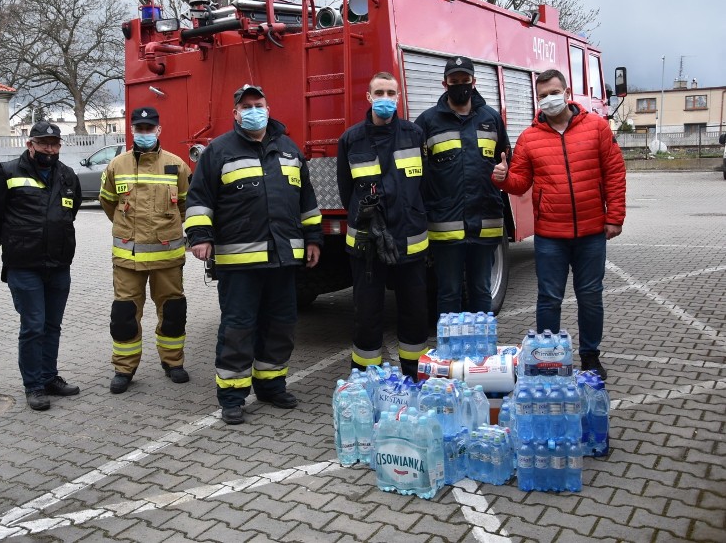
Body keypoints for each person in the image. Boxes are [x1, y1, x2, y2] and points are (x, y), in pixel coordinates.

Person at [184, 84, 323, 425]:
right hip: (239, 263)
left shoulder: (289, 149)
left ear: (268, 107)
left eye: (258, 104)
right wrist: (200, 236)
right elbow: (199, 198)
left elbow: (306, 201)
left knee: (281, 325)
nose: (252, 111)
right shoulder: (218, 151)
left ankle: (271, 385)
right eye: (245, 106)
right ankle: (232, 395)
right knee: (238, 328)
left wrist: (314, 239)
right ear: (235, 113)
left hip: (282, 258)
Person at [492, 68, 626, 379]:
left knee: (590, 296)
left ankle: (590, 357)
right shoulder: (529, 138)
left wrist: (614, 217)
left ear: (566, 92)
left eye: (554, 92)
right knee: (549, 299)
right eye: (543, 96)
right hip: (551, 235)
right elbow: (520, 182)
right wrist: (501, 178)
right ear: (537, 100)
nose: (549, 99)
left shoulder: (596, 128)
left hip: (591, 232)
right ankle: (548, 358)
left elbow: (615, 173)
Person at [0, 121, 82, 411]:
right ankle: (34, 386)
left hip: (59, 265)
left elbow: (69, 213)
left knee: (52, 325)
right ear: (30, 144)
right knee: (33, 326)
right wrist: (11, 241)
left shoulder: (67, 176)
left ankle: (50, 378)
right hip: (24, 266)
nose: (49, 148)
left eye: (55, 143)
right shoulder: (7, 172)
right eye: (44, 143)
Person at [336, 72, 429, 380]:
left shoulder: (414, 135)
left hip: (410, 240)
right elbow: (346, 191)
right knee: (367, 316)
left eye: (391, 93)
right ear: (368, 96)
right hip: (367, 244)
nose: (386, 98)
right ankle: (366, 380)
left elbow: (423, 185)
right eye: (380, 92)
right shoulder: (351, 139)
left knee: (415, 314)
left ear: (398, 97)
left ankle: (414, 377)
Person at [99, 106, 193, 393]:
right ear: (132, 131)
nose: (144, 133)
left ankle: (173, 363)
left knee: (173, 311)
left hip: (167, 258)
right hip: (128, 259)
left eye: (149, 128)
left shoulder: (177, 165)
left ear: (159, 130)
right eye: (139, 129)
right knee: (125, 315)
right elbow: (109, 203)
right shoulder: (117, 165)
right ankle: (124, 368)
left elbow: (187, 206)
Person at [415, 56, 510, 317]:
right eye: (454, 81)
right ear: (444, 84)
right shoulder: (426, 123)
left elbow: (506, 161)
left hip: (485, 223)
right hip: (446, 226)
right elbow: (418, 176)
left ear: (474, 82)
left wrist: (505, 172)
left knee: (481, 289)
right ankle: (450, 352)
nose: (460, 86)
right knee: (448, 292)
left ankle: (481, 351)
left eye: (464, 81)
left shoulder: (491, 119)